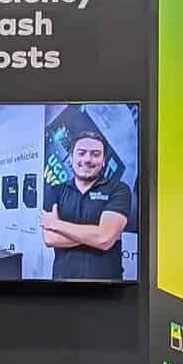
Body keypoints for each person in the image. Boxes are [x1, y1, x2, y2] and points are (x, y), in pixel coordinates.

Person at [39, 117, 134, 281]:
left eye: (95, 154)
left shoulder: (119, 189)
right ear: (71, 157)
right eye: (81, 153)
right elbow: (50, 239)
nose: (87, 160)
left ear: (104, 161)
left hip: (107, 288)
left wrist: (57, 225)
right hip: (63, 284)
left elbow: (104, 239)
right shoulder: (55, 190)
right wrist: (96, 234)